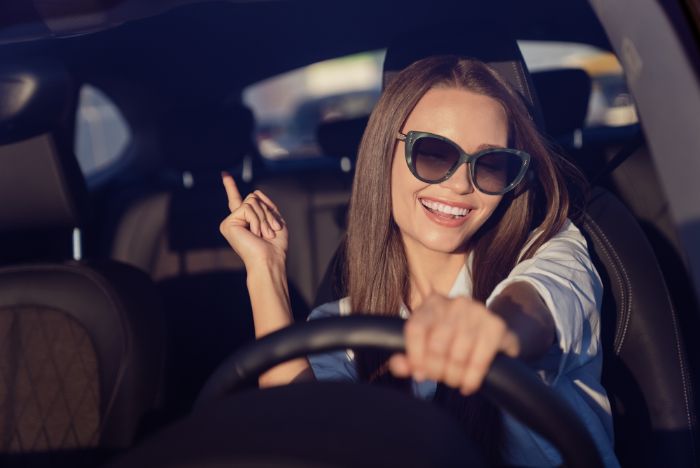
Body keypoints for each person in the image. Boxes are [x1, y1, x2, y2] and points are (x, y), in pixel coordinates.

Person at [219, 55, 619, 466]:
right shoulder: (340, 325)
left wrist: (493, 330)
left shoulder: (550, 249)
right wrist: (264, 271)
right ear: (383, 155)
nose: (461, 184)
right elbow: (297, 432)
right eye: (433, 153)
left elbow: (541, 304)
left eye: (492, 164)